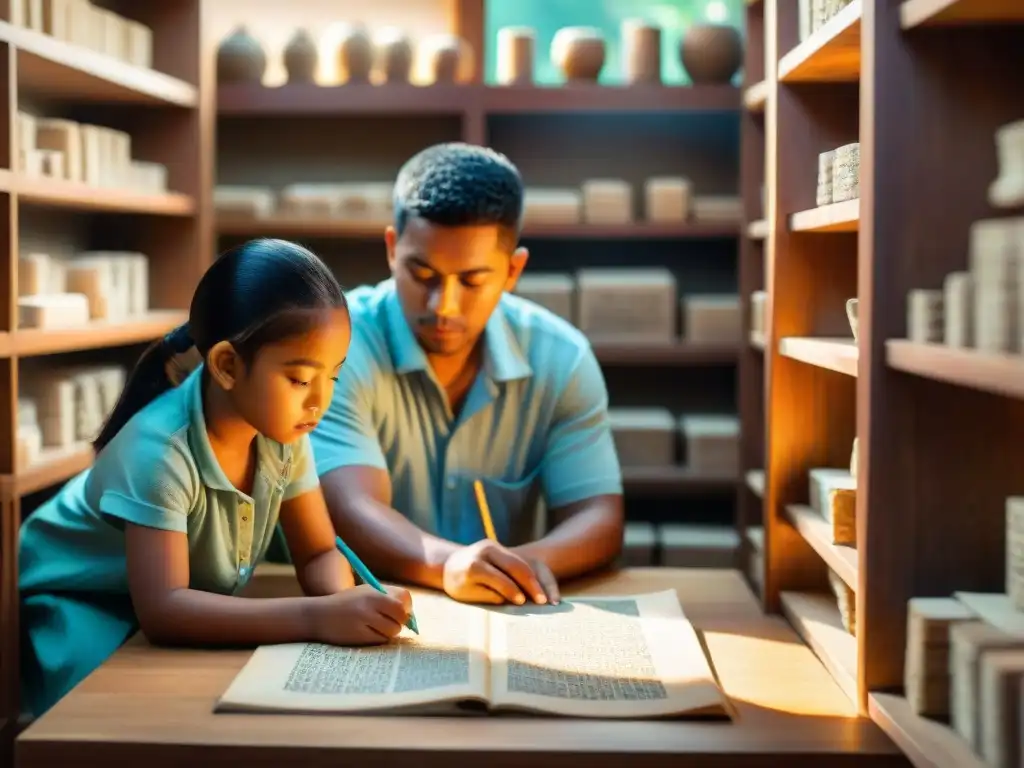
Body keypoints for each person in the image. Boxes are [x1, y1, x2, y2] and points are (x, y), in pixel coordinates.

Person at [18, 238, 412, 718]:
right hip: (85, 604)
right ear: (227, 365)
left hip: (171, 604)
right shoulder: (161, 451)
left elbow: (318, 551)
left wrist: (348, 602)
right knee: (122, 722)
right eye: (300, 379)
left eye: (332, 377)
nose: (319, 402)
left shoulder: (285, 430)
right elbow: (164, 612)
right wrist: (316, 617)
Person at [309, 142, 624, 608]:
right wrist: (448, 565)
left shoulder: (563, 358)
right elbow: (351, 508)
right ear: (392, 249)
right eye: (422, 273)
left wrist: (519, 567)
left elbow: (598, 515)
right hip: (369, 608)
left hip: (510, 608)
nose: (444, 306)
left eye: (473, 281)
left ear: (513, 270)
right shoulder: (339, 345)